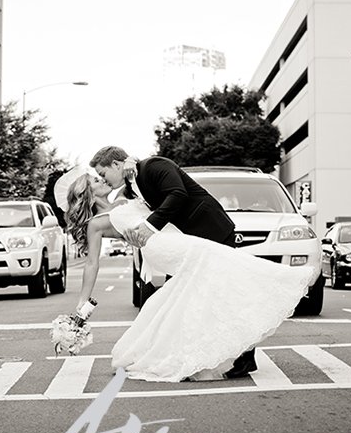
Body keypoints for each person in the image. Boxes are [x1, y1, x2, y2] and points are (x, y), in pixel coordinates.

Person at [62, 171, 315, 383]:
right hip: (165, 248)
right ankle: (284, 281)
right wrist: (82, 303)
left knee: (195, 293)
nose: (102, 179)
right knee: (225, 266)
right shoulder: (95, 224)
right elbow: (92, 263)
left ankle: (228, 350)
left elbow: (150, 188)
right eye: (95, 180)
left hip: (176, 239)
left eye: (100, 175)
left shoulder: (125, 199)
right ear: (87, 193)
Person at [90, 146, 254, 378]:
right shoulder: (132, 184)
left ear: (116, 165)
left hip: (213, 231)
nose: (102, 179)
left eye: (103, 173)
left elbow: (177, 194)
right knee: (181, 297)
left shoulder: (156, 166)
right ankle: (184, 355)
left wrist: (149, 226)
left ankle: (246, 358)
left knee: (224, 295)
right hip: (188, 243)